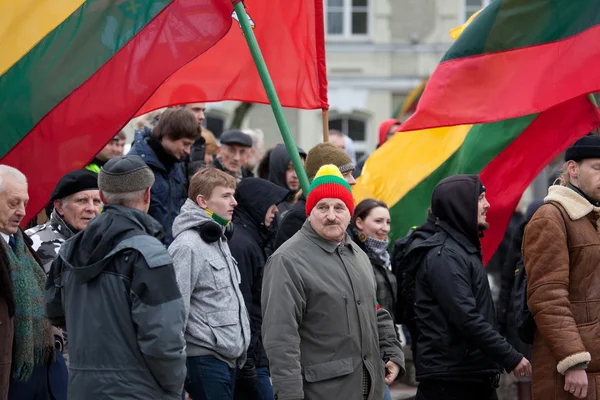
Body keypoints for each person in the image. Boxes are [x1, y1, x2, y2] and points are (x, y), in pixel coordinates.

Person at [45, 155, 187, 399]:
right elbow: (164, 338)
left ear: (101, 196)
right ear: (147, 195)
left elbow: (53, 310)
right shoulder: (149, 252)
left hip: (81, 387)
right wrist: (175, 386)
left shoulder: (69, 249)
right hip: (139, 389)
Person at [262, 165, 405, 400]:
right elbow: (280, 341)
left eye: (339, 207)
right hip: (322, 392)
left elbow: (375, 311)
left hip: (369, 388)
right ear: (309, 211)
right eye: (322, 207)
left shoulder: (357, 254)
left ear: (350, 213)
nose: (331, 215)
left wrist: (392, 352)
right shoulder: (287, 261)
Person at [412, 175, 531, 400]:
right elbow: (466, 317)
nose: (487, 205)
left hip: (469, 377)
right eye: (481, 198)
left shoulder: (461, 249)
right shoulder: (445, 255)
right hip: (452, 382)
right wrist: (510, 356)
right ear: (460, 205)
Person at [522, 134, 600, 400]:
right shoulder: (551, 217)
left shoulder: (594, 217)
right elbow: (547, 297)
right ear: (573, 169)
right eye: (597, 168)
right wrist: (572, 359)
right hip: (573, 370)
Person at [169, 168, 251, 399]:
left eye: (233, 195)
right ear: (202, 201)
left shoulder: (218, 238)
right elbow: (176, 310)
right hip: (203, 362)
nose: (234, 202)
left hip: (226, 362)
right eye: (225, 196)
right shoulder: (187, 246)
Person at [0, 165, 67, 400]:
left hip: (43, 368)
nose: (21, 211)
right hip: (12, 373)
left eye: (24, 203)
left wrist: (55, 340)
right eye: (13, 203)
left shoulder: (22, 243)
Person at [228, 178, 289, 400]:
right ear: (256, 203)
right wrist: (249, 360)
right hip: (250, 357)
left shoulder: (253, 239)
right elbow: (243, 305)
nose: (275, 211)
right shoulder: (242, 244)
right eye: (270, 203)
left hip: (256, 353)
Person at [128, 107, 202, 244]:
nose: (187, 151)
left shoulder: (175, 164)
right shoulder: (136, 165)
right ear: (168, 134)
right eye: (185, 144)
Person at [274, 142, 356, 249]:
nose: (353, 181)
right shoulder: (298, 217)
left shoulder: (344, 212)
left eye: (352, 174)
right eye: (345, 175)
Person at [26, 169, 101, 272]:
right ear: (60, 206)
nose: (91, 208)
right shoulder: (30, 242)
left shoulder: (110, 242)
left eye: (96, 201)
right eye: (82, 200)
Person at [350, 199, 397, 321]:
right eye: (378, 221)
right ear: (359, 222)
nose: (385, 228)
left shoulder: (384, 256)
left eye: (388, 222)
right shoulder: (352, 255)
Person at [267, 143, 306, 213]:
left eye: (300, 169)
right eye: (289, 168)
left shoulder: (308, 203)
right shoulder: (268, 208)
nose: (296, 175)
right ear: (278, 169)